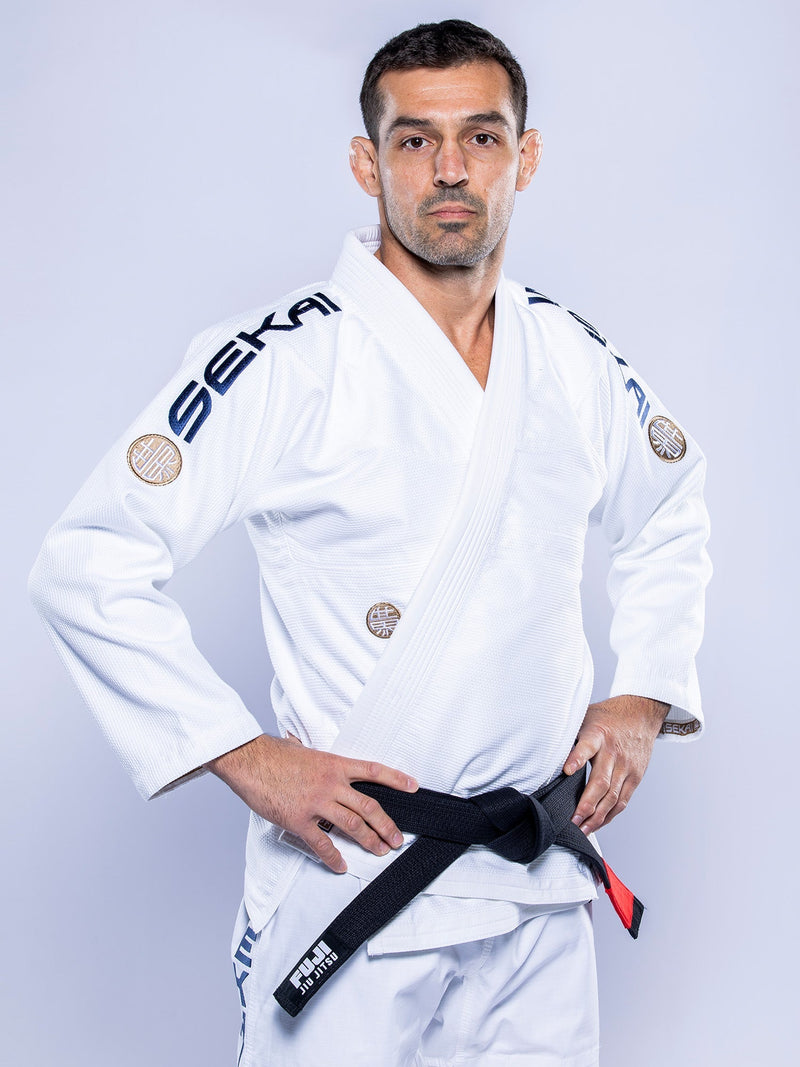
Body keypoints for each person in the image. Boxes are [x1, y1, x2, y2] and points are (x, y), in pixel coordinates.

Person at [29, 19, 711, 1067]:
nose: (449, 169)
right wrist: (245, 755)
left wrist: (642, 692)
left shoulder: (568, 355)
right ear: (365, 161)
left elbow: (671, 501)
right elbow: (89, 560)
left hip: (533, 889)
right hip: (354, 884)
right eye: (413, 140)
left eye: (481, 138)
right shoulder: (281, 360)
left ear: (524, 157)